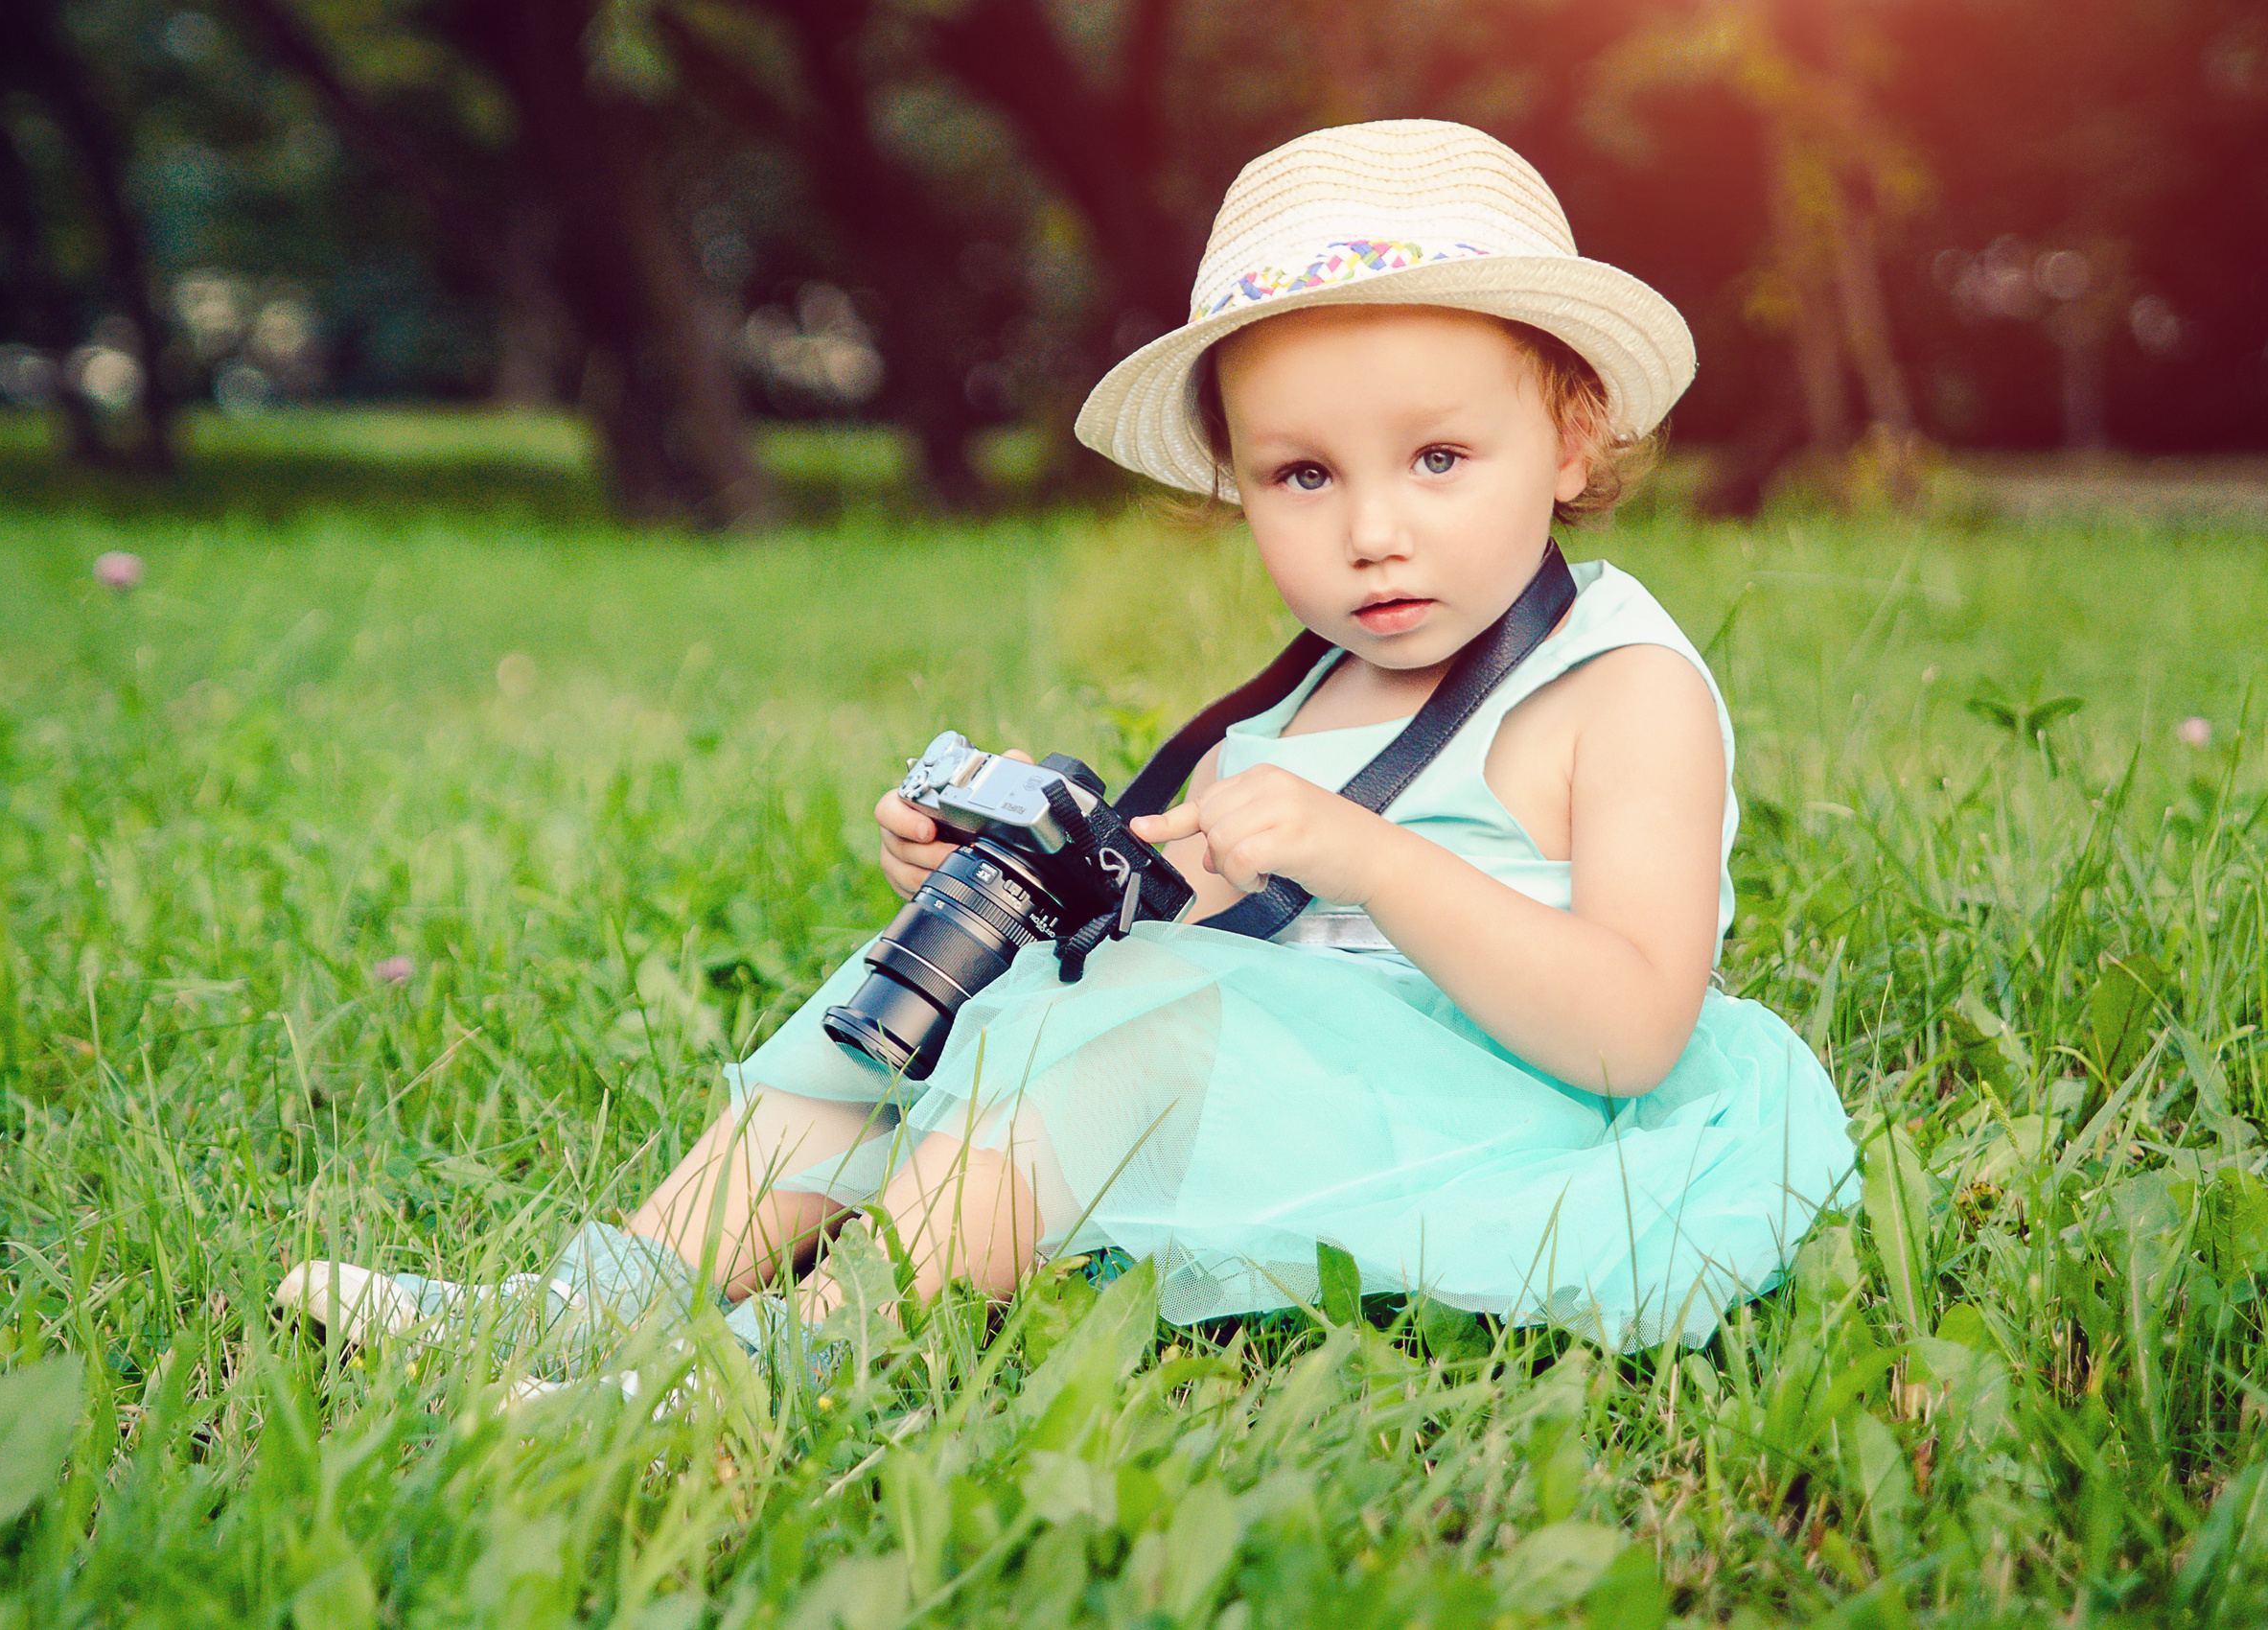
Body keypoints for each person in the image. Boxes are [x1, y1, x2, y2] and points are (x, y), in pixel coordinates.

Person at [277, 120, 1857, 1388]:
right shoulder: (1294, 705)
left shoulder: (1617, 689)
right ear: (1237, 487)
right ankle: (601, 1300)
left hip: (1519, 1122)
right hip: (1294, 1078)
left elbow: (1632, 1029)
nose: (1374, 531)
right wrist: (1030, 868)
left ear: (1573, 440)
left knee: (1137, 1027)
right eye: (1304, 475)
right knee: (944, 982)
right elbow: (1190, 927)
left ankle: (771, 1367)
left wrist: (1366, 854)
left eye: (1441, 457)